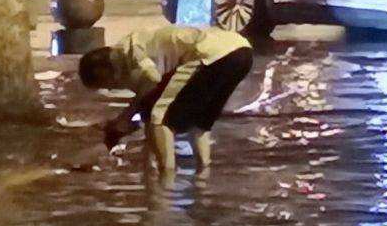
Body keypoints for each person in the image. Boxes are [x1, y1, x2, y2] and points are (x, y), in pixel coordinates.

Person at [78, 21, 256, 180]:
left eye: (104, 84)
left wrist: (126, 116)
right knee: (201, 121)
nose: (109, 89)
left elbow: (153, 80)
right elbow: (150, 100)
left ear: (104, 71)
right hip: (242, 51)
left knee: (161, 118)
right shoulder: (134, 53)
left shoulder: (130, 50)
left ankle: (166, 179)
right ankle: (204, 173)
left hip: (210, 54)